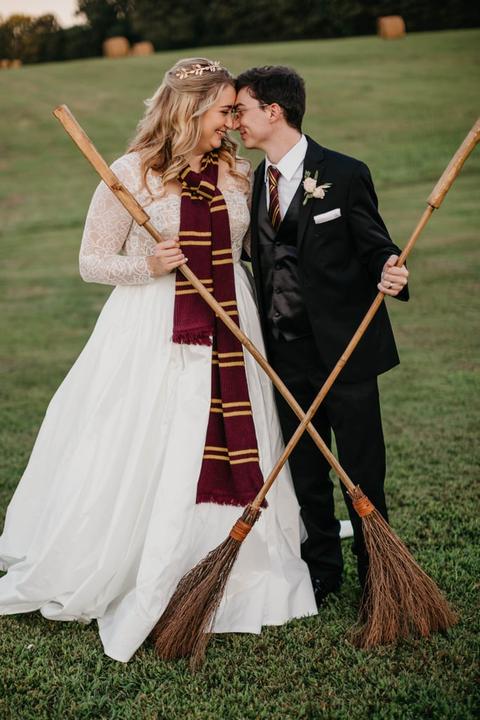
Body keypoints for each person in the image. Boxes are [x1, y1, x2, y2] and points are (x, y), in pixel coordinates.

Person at [0, 58, 317, 663]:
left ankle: (234, 561)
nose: (232, 122)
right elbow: (92, 261)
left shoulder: (236, 171)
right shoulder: (129, 174)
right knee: (156, 440)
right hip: (153, 326)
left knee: (232, 436)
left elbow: (261, 250)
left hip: (231, 319)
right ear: (190, 109)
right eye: (224, 110)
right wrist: (148, 264)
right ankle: (138, 560)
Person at [234, 65, 409, 604]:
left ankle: (378, 578)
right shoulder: (250, 184)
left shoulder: (345, 172)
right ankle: (322, 573)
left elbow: (376, 245)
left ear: (273, 111)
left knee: (363, 472)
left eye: (241, 109)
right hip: (283, 353)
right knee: (305, 473)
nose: (236, 121)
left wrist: (392, 269)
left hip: (345, 352)